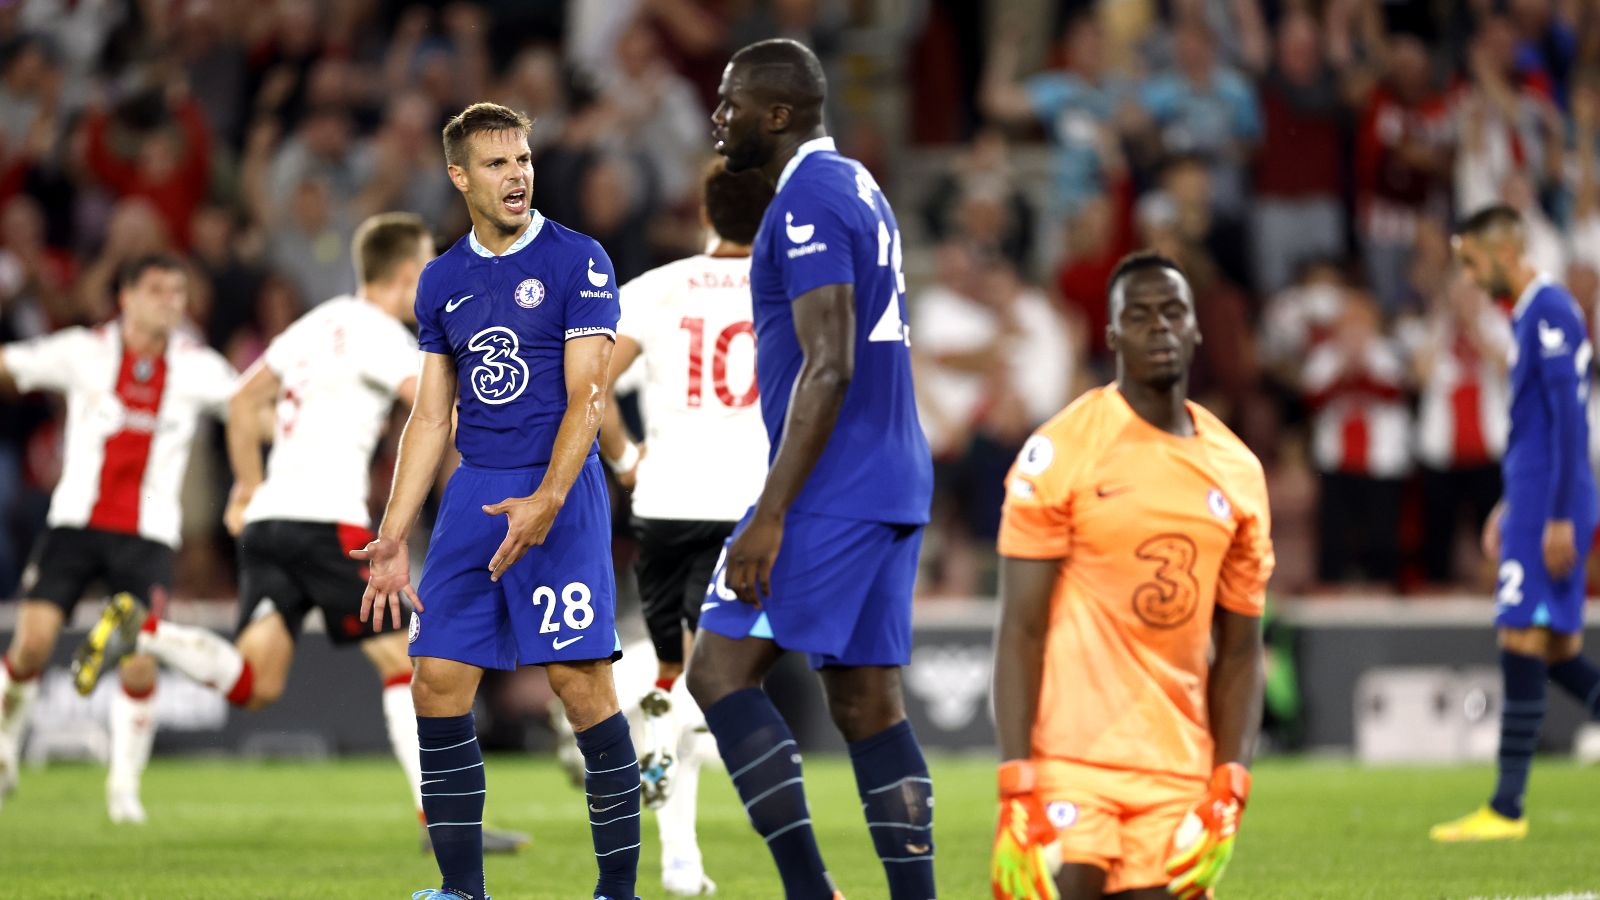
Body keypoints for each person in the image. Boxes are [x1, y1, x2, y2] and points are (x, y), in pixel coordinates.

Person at [70, 213, 526, 854]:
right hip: (327, 520)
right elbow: (435, 412)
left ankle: (146, 633)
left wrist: (246, 486)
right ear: (407, 274)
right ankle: (445, 824)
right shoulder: (382, 335)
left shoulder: (316, 322)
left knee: (258, 682)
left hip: (270, 521)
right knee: (409, 661)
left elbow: (241, 401)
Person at [354, 102, 638, 900]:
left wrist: (549, 498)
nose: (517, 176)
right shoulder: (441, 279)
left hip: (560, 489)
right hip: (475, 493)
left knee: (581, 689)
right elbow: (430, 416)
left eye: (523, 160)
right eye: (496, 164)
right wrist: (393, 534)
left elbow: (588, 397)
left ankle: (618, 891)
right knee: (436, 681)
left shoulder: (578, 260)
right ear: (459, 176)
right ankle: (461, 889)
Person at [689, 38, 936, 900]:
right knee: (866, 702)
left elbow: (828, 364)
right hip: (891, 474)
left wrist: (770, 513)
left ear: (778, 113)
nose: (719, 118)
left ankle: (807, 890)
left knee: (718, 671)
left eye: (732, 103)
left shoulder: (808, 201)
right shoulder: (856, 184)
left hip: (837, 483)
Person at [990, 252, 1273, 900]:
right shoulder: (1060, 451)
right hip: (1070, 763)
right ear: (1112, 335)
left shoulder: (1239, 472)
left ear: (1195, 327)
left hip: (1176, 769)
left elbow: (1240, 650)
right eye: (1139, 315)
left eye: (1173, 312)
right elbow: (1021, 630)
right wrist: (1016, 783)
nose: (1159, 327)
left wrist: (1231, 782)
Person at [0, 254, 235, 821]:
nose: (170, 301)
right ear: (126, 298)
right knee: (31, 644)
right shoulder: (85, 350)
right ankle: (5, 745)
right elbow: (12, 365)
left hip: (147, 536)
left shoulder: (198, 366)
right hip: (74, 526)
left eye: (178, 291)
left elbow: (251, 402)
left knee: (139, 660)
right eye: (157, 290)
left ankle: (124, 789)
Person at [599, 158, 774, 896]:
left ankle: (677, 854)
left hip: (665, 504)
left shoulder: (656, 287)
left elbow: (591, 385)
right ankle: (679, 839)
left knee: (678, 677)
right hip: (749, 513)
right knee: (722, 680)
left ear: (703, 212)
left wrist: (625, 459)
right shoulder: (789, 290)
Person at [1432, 205, 1600, 842]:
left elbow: (1569, 420)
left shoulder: (1549, 309)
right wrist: (1510, 503)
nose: (1472, 278)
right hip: (1534, 498)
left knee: (1519, 639)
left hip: (1551, 503)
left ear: (1506, 253)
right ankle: (1505, 807)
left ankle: (1506, 808)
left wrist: (1553, 514)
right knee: (1557, 653)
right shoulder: (1531, 314)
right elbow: (1536, 426)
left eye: (1474, 263)